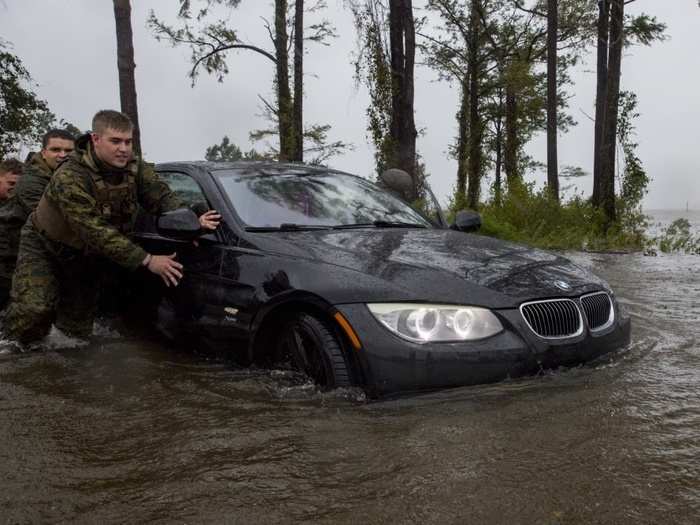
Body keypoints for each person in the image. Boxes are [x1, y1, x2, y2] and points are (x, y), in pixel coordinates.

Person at [1, 110, 220, 344]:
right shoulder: (70, 175)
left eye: (128, 141)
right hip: (45, 246)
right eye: (115, 141)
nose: (123, 148)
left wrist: (190, 220)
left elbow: (162, 198)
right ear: (96, 140)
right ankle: (9, 355)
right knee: (34, 311)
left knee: (75, 333)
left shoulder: (136, 168)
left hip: (85, 256)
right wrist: (147, 260)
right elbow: (92, 229)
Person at [0, 130, 75, 310]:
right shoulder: (31, 181)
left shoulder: (65, 176)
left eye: (68, 151)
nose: (62, 155)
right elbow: (51, 220)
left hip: (34, 251)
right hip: (9, 257)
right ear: (44, 152)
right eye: (56, 149)